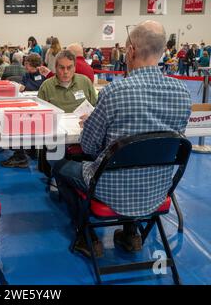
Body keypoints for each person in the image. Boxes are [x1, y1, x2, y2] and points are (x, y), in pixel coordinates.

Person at [53, 20, 192, 258]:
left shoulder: (114, 93)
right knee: (141, 164)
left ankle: (86, 235)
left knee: (60, 167)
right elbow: (167, 142)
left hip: (110, 190)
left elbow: (89, 146)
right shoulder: (183, 94)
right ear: (162, 52)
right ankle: (131, 233)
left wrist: (95, 122)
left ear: (130, 51)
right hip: (158, 190)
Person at [0, 53, 46, 168]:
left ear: (32, 64)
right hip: (26, 104)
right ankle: (20, 154)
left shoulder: (42, 74)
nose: (25, 66)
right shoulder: (26, 75)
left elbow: (39, 87)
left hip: (39, 106)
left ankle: (22, 155)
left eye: (26, 64)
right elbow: (25, 87)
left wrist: (25, 88)